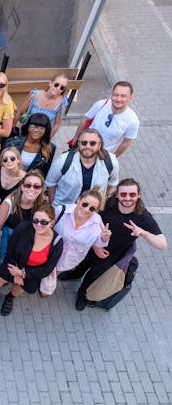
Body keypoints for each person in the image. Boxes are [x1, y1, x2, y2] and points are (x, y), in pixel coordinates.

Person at [58, 178, 167, 310]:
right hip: (93, 244)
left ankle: (82, 294)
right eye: (123, 194)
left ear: (138, 195)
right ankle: (74, 274)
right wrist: (96, 246)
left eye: (132, 194)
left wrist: (143, 233)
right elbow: (89, 218)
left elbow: (163, 244)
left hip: (112, 254)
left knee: (94, 274)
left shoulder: (143, 217)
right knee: (82, 263)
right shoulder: (108, 204)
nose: (127, 198)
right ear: (117, 195)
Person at [0, 203, 63, 316]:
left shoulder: (57, 242)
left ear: (52, 222)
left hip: (32, 273)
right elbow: (10, 250)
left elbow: (47, 269)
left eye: (44, 222)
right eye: (35, 220)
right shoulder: (23, 228)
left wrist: (22, 273)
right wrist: (15, 273)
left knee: (20, 286)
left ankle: (10, 297)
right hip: (12, 265)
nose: (38, 225)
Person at [0, 170, 47, 283]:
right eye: (28, 185)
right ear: (22, 186)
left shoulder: (42, 203)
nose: (32, 189)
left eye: (36, 186)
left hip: (24, 237)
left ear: (41, 189)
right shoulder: (9, 203)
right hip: (5, 236)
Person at [45, 128, 119, 207]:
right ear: (78, 144)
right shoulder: (63, 160)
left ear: (99, 145)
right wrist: (53, 205)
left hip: (92, 209)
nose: (88, 146)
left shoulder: (111, 162)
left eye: (93, 143)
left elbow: (111, 183)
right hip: (64, 207)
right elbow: (50, 183)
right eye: (84, 143)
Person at [50, 189, 110, 287]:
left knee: (52, 277)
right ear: (78, 200)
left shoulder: (97, 224)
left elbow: (98, 243)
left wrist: (104, 238)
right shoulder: (62, 210)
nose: (86, 209)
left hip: (69, 259)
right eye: (85, 204)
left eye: (92, 208)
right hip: (50, 254)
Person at [70, 81, 139, 157]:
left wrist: (113, 158)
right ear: (111, 94)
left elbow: (126, 143)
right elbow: (84, 119)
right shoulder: (101, 104)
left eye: (123, 96)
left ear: (130, 98)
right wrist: (76, 138)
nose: (118, 99)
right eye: (116, 95)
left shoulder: (133, 121)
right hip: (84, 147)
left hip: (102, 155)